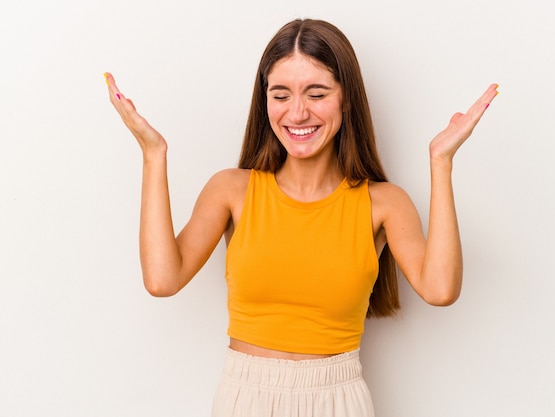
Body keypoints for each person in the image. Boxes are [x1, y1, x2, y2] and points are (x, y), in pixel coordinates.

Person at [104, 18, 498, 417]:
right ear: (265, 101)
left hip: (338, 400)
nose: (297, 112)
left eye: (317, 93)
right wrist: (153, 155)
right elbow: (161, 279)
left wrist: (441, 162)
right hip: (245, 399)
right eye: (281, 94)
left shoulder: (383, 203)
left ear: (346, 99)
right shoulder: (231, 190)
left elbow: (440, 289)